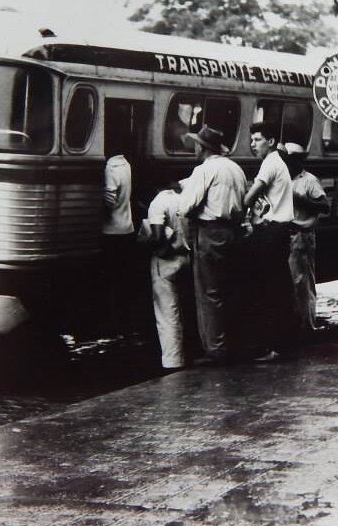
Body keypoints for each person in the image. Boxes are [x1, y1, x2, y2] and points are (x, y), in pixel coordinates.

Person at [178, 125, 247, 364]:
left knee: (209, 293)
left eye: (196, 144)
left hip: (210, 232)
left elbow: (185, 206)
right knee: (231, 290)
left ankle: (216, 349)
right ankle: (235, 342)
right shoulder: (235, 168)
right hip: (234, 232)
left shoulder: (203, 170)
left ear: (202, 147)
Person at [243, 121, 297, 358]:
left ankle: (272, 346)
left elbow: (249, 198)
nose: (253, 145)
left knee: (268, 288)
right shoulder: (279, 163)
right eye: (252, 140)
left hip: (271, 232)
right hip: (279, 231)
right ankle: (282, 343)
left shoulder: (270, 163)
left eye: (257, 140)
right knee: (279, 287)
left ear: (271, 142)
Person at [282, 142, 331, 334]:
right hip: (287, 235)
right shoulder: (284, 179)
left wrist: (298, 198)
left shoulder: (309, 181)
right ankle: (294, 324)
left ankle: (307, 326)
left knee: (303, 284)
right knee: (291, 283)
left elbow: (324, 206)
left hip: (302, 235)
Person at [145, 182, 192, 372]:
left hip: (165, 262)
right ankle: (191, 353)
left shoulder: (158, 202)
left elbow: (157, 236)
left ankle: (173, 361)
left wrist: (145, 242)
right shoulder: (184, 200)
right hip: (186, 257)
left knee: (167, 313)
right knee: (185, 308)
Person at [101, 147, 134, 333]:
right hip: (127, 227)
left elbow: (110, 200)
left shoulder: (111, 168)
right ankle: (124, 320)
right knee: (123, 279)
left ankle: (113, 321)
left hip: (111, 230)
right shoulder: (125, 164)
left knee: (111, 279)